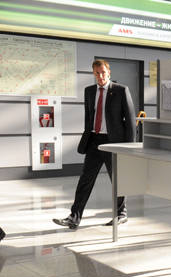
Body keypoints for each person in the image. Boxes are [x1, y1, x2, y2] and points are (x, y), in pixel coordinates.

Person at [53, 59, 135, 230]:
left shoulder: (121, 91)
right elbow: (89, 117)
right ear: (93, 73)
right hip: (94, 141)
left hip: (114, 143)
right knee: (85, 179)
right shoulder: (89, 91)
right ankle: (74, 218)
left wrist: (129, 147)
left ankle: (121, 214)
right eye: (97, 73)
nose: (100, 76)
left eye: (103, 72)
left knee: (118, 179)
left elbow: (130, 120)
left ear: (109, 72)